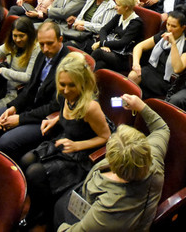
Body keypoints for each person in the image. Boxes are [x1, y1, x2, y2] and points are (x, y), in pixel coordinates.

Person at [19, 53, 111, 228]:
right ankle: (39, 204)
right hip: (66, 141)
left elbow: (106, 137)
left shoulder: (91, 107)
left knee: (35, 173)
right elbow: (68, 111)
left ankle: (44, 213)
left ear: (82, 83)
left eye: (72, 85)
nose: (66, 90)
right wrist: (56, 120)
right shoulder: (64, 96)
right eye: (62, 85)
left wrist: (77, 145)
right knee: (26, 160)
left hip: (81, 154)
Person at [54, 95, 169, 232]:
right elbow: (161, 128)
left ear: (113, 163)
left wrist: (62, 227)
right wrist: (141, 106)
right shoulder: (153, 155)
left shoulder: (109, 208)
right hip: (90, 201)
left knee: (58, 207)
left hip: (91, 216)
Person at [0, 21, 71, 160]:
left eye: (50, 43)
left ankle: (13, 167)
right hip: (30, 107)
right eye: (41, 44)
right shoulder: (42, 54)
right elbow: (30, 87)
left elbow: (55, 106)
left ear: (60, 40)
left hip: (47, 118)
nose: (45, 48)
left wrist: (20, 119)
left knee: (6, 142)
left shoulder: (68, 64)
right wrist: (14, 107)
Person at [91, 0, 143, 73]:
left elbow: (122, 42)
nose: (115, 7)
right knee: (100, 65)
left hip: (124, 57)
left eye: (118, 5)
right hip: (112, 51)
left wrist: (102, 43)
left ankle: (81, 73)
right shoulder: (120, 15)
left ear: (126, 7)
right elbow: (104, 29)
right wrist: (104, 43)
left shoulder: (136, 22)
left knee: (99, 52)